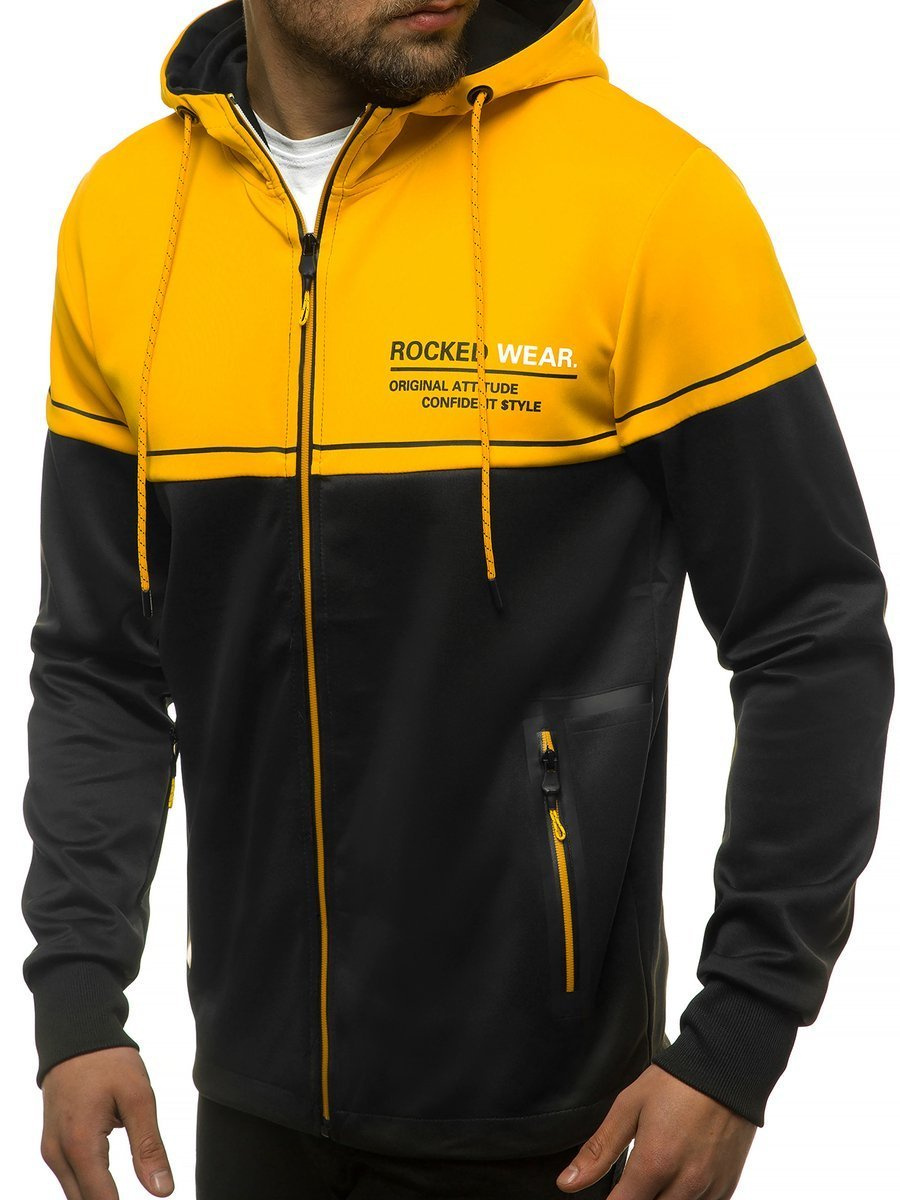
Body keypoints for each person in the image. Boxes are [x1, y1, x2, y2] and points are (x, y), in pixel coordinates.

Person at [21, 1, 894, 1197]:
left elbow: (813, 629)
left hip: (560, 1125)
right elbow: (102, 662)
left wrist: (740, 1039)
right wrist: (77, 1001)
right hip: (252, 1106)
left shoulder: (650, 198)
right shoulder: (125, 219)